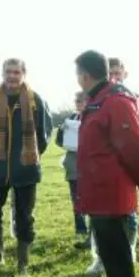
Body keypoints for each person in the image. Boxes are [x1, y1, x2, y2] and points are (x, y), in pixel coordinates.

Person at [74, 50, 139, 277]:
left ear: (84, 75)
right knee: (109, 254)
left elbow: (133, 147)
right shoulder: (99, 100)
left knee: (118, 255)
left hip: (111, 192)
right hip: (99, 192)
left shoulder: (115, 100)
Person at [84, 58, 139, 275]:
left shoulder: (136, 100)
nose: (115, 76)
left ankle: (129, 250)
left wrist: (137, 155)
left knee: (128, 214)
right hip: (100, 172)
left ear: (126, 73)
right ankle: (99, 257)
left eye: (118, 72)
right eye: (111, 73)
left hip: (127, 169)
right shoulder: (95, 100)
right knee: (98, 216)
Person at [0, 58, 52, 276]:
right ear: (2, 73)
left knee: (24, 217)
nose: (11, 76)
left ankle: (23, 263)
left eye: (16, 72)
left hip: (25, 170)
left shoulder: (35, 100)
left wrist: (27, 156)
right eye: (8, 72)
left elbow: (43, 135)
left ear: (23, 74)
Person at [55, 91, 89, 247]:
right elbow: (59, 142)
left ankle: (93, 231)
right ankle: (81, 229)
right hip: (73, 165)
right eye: (77, 101)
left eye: (81, 101)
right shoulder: (71, 119)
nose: (79, 104)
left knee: (91, 199)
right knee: (76, 199)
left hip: (90, 166)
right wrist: (62, 131)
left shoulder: (95, 116)